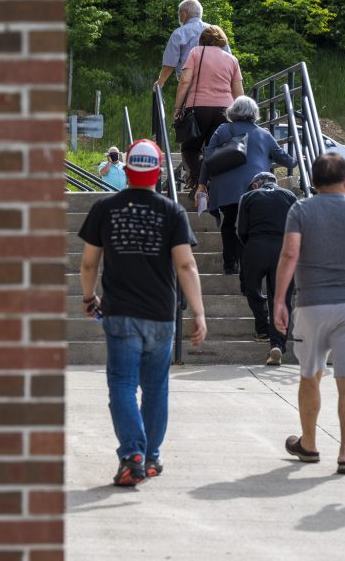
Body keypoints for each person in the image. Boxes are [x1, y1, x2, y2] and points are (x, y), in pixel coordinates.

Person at [78, 138, 208, 487]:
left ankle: (132, 454)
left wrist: (89, 297)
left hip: (120, 313)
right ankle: (149, 457)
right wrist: (198, 312)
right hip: (161, 315)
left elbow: (90, 262)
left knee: (121, 384)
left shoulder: (105, 208)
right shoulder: (172, 212)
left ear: (128, 168)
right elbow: (186, 265)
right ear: (158, 170)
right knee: (155, 388)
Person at [272, 153, 345, 475]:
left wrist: (280, 299)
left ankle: (308, 444)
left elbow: (290, 253)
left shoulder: (301, 210)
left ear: (314, 181)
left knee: (311, 375)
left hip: (312, 305)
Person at [197, 95, 293, 274]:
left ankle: (229, 264)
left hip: (225, 189)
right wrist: (297, 162)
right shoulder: (264, 134)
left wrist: (202, 184)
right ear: (254, 113)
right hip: (254, 189)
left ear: (232, 111)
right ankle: (246, 265)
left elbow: (207, 158)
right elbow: (283, 158)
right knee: (249, 226)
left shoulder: (223, 129)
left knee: (229, 223)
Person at [173, 25, 244, 193]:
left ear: (202, 39)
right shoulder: (232, 59)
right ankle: (213, 185)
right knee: (216, 149)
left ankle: (199, 182)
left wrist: (177, 107)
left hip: (198, 108)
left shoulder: (196, 53)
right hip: (224, 111)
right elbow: (239, 92)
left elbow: (184, 81)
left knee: (190, 148)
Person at [236, 171, 297, 365]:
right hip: (283, 249)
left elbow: (241, 230)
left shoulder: (248, 197)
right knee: (281, 297)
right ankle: (277, 343)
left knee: (250, 288)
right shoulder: (290, 196)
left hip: (256, 246)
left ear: (256, 184)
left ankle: (262, 327)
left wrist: (251, 243)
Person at [153, 0, 230, 90]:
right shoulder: (216, 31)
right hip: (218, 83)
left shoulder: (179, 33)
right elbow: (229, 59)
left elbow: (169, 64)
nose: (179, 18)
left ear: (183, 14)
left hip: (189, 84)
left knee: (190, 104)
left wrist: (159, 83)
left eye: (179, 14)